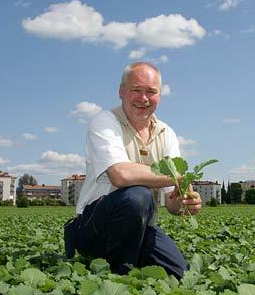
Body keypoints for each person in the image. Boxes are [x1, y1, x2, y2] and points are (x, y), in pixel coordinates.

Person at [64, 62, 201, 279]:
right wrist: (176, 177)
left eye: (151, 92)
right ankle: (120, 276)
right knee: (138, 195)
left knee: (179, 274)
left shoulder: (167, 133)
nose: (143, 98)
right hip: (94, 225)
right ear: (121, 91)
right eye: (136, 90)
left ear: (160, 96)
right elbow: (121, 175)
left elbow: (172, 203)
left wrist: (184, 202)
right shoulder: (105, 122)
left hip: (140, 225)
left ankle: (129, 257)